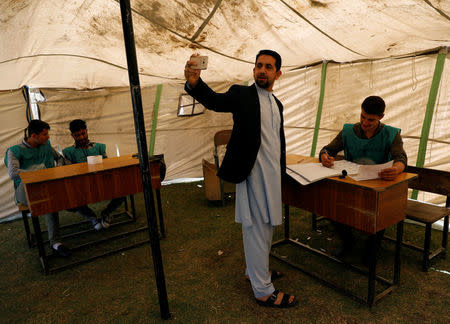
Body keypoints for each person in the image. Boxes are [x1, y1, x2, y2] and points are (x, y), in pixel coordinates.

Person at [184, 50, 297, 308]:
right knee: (256, 228)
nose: (262, 70)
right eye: (259, 65)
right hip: (252, 173)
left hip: (272, 177)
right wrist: (194, 83)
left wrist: (281, 172)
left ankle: (255, 271)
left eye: (268, 67)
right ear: (253, 70)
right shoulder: (242, 94)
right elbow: (215, 101)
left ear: (277, 73)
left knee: (267, 226)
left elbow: (275, 142)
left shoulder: (277, 103)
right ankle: (263, 291)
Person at [319, 95, 407, 261]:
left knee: (379, 213)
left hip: (378, 186)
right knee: (330, 205)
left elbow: (401, 158)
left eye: (371, 120)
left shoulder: (391, 134)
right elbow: (328, 149)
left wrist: (396, 169)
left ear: (381, 117)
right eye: (363, 117)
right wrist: (324, 156)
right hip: (351, 183)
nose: (365, 123)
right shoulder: (348, 131)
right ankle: (348, 241)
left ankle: (371, 247)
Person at [4, 120, 71, 257]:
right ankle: (55, 242)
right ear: (34, 136)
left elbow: (59, 159)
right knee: (49, 201)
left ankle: (57, 241)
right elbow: (14, 173)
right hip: (25, 191)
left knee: (66, 194)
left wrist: (57, 168)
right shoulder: (14, 151)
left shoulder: (46, 146)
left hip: (47, 186)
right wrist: (39, 174)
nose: (48, 137)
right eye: (45, 134)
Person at [63, 119, 125, 229]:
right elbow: (69, 172)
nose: (81, 137)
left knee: (123, 190)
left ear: (87, 131)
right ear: (72, 136)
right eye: (77, 135)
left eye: (83, 133)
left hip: (102, 182)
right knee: (72, 198)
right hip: (82, 186)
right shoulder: (68, 152)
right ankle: (92, 217)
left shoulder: (100, 147)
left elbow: (107, 165)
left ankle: (106, 213)